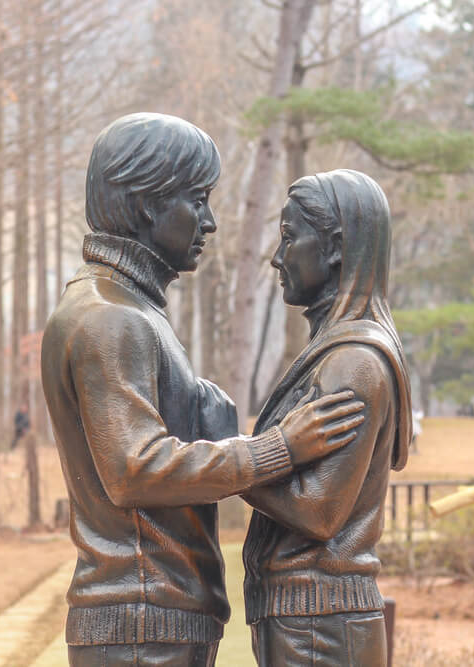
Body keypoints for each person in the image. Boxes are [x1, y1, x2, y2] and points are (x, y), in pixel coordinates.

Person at [40, 113, 366, 667]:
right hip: (140, 620)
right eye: (197, 200)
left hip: (153, 615)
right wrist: (277, 450)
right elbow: (134, 470)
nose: (209, 222)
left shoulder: (129, 309)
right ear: (148, 205)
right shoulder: (111, 317)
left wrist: (202, 425)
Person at [241, 170, 413, 667]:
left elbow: (319, 511)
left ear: (335, 248)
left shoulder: (353, 362)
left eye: (291, 238)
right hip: (310, 619)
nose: (277, 257)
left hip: (322, 629)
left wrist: (233, 463)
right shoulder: (332, 352)